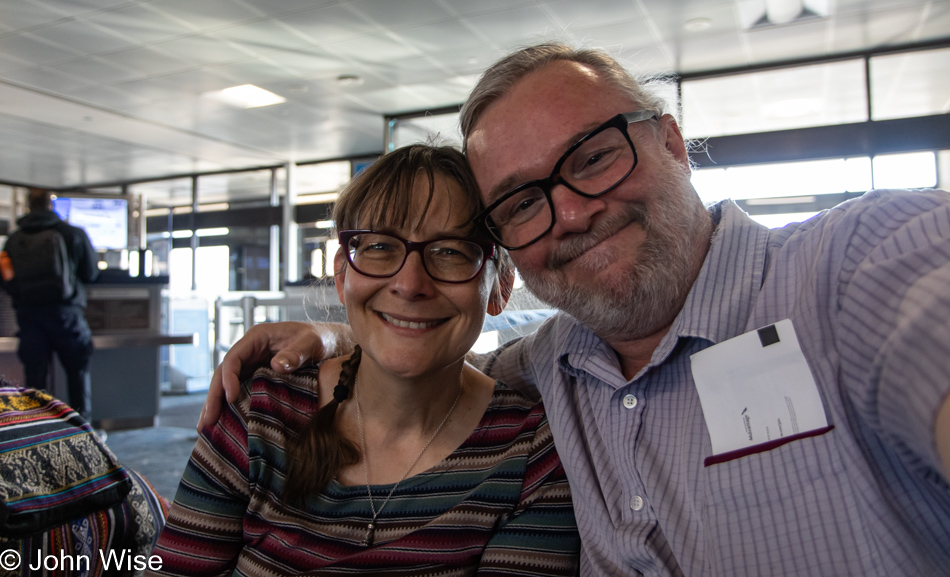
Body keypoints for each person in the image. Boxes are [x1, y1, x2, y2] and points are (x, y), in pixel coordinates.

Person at [201, 43, 950, 576]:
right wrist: (338, 328)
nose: (568, 212)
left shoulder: (852, 268)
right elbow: (423, 347)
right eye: (523, 200)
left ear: (673, 141)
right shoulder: (553, 361)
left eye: (592, 156)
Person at [150, 145, 579, 576]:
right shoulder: (264, 412)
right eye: (378, 247)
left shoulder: (530, 457)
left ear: (501, 286)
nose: (410, 285)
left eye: (451, 251)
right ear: (342, 275)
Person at [1, 188, 98, 421]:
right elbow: (91, 272)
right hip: (67, 315)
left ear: (28, 205)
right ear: (52, 204)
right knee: (77, 373)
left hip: (29, 317)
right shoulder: (72, 233)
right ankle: (81, 429)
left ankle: (39, 431)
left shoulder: (14, 240)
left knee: (35, 378)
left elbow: (6, 278)